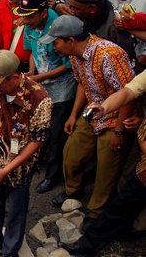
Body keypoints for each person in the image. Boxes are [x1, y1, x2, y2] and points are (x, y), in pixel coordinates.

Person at [42, 16, 135, 225]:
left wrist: (119, 132)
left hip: (117, 116)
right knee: (71, 153)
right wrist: (74, 114)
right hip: (92, 111)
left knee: (106, 168)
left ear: (71, 39)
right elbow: (83, 83)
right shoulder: (75, 54)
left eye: (56, 42)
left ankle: (96, 214)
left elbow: (129, 94)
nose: (54, 47)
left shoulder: (108, 54)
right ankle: (73, 193)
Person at [0, 50, 52, 257]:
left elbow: (37, 141)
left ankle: (9, 251)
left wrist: (7, 169)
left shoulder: (40, 99)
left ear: (14, 77)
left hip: (20, 163)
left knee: (16, 208)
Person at [61, 69, 146, 255]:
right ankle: (89, 244)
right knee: (122, 204)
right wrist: (105, 107)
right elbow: (127, 92)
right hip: (144, 169)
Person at [16, 0, 77, 193]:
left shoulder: (57, 26)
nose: (26, 21)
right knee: (37, 126)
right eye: (24, 16)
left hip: (62, 87)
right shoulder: (29, 23)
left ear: (43, 13)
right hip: (41, 83)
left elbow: (68, 65)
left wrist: (38, 78)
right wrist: (32, 72)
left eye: (30, 16)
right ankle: (36, 163)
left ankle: (52, 176)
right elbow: (32, 49)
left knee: (56, 133)